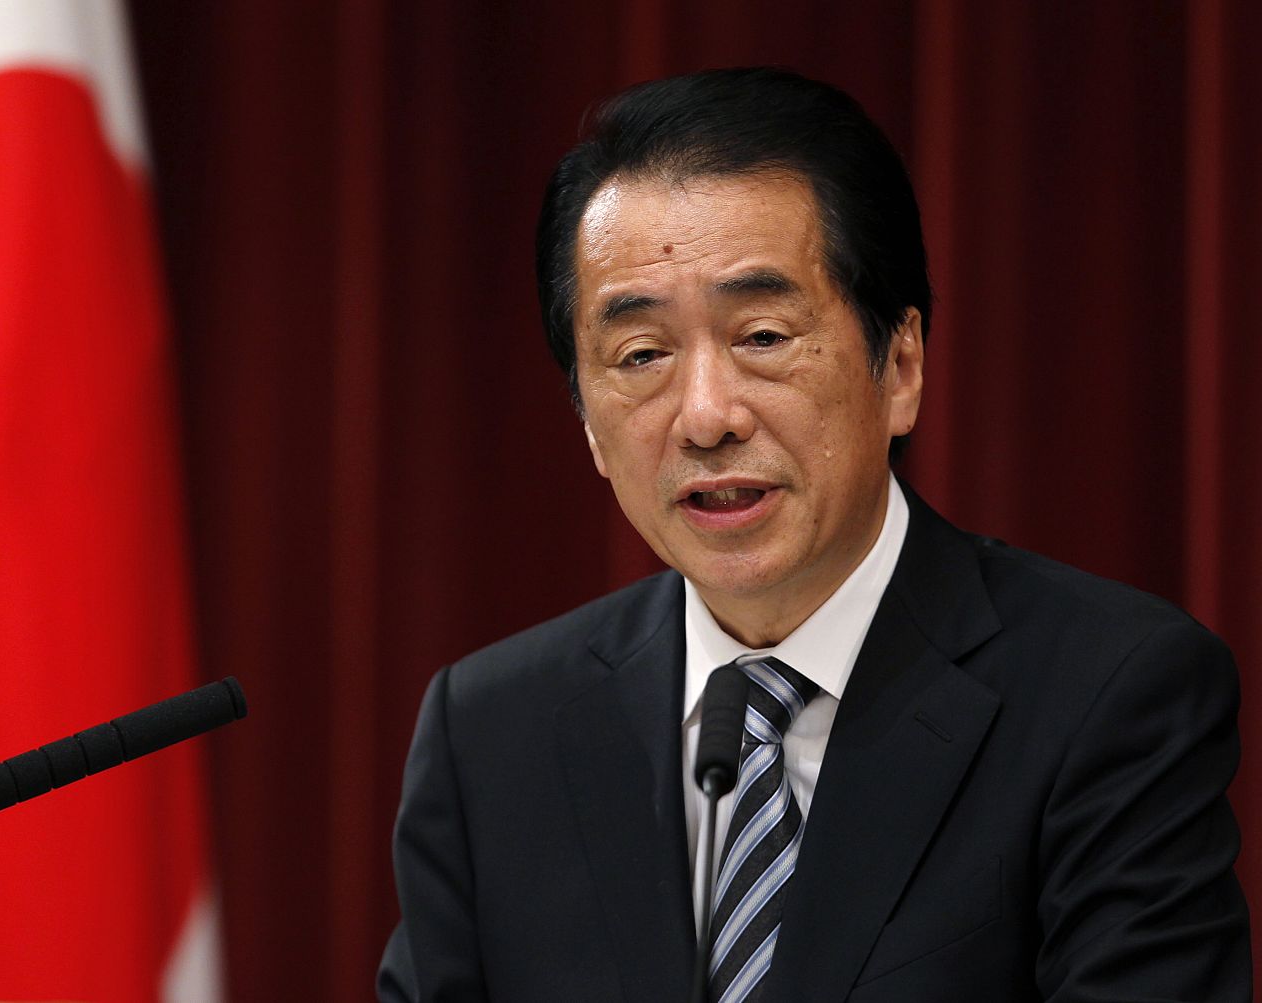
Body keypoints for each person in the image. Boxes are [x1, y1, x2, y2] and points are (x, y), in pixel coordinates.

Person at [376, 67, 1250, 1002]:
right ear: (590, 424)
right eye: (642, 355)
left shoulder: (1108, 695)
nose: (705, 417)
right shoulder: (491, 734)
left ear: (901, 363)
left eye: (762, 335)